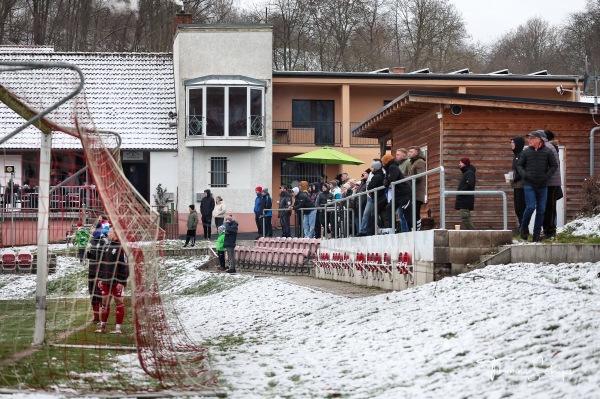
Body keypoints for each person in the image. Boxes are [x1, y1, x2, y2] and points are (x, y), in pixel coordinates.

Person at [516, 130, 558, 242]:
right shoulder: (526, 152)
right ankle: (524, 228)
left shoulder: (547, 151)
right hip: (529, 184)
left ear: (538, 139)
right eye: (528, 138)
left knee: (541, 210)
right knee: (530, 207)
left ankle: (536, 235)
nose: (528, 140)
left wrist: (546, 176)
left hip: (543, 185)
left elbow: (554, 165)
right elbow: (519, 165)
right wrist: (524, 175)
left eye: (531, 138)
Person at [95, 230, 129, 334]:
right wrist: (100, 278)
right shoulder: (106, 246)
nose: (108, 234)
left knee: (119, 303)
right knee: (104, 304)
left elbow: (125, 266)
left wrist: (121, 282)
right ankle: (103, 326)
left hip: (117, 282)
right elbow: (102, 264)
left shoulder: (122, 248)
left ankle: (118, 328)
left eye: (110, 232)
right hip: (106, 281)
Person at [381, 154, 411, 234]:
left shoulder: (393, 167)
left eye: (383, 161)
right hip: (397, 194)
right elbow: (386, 180)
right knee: (389, 209)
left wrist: (386, 182)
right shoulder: (388, 169)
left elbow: (391, 179)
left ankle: (410, 229)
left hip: (403, 192)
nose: (382, 163)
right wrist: (386, 181)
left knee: (406, 212)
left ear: (386, 161)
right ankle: (392, 228)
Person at [542, 130, 561, 240]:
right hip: (552, 181)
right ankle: (550, 229)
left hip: (550, 182)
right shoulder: (553, 148)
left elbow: (550, 166)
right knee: (550, 206)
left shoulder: (549, 148)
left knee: (549, 206)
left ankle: (550, 230)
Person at [357, 160, 385, 236]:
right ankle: (366, 230)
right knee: (371, 215)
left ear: (375, 168)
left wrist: (369, 185)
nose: (371, 168)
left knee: (370, 215)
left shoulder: (376, 176)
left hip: (374, 197)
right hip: (374, 196)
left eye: (372, 167)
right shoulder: (378, 174)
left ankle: (365, 230)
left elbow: (370, 186)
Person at [87, 223, 107, 325]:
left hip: (100, 273)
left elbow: (105, 258)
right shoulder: (92, 241)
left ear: (98, 229)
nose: (90, 229)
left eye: (92, 228)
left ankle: (103, 320)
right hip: (92, 272)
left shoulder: (103, 241)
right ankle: (96, 318)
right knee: (93, 295)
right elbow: (92, 256)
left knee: (101, 297)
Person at [408, 146, 427, 230]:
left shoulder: (419, 162)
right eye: (409, 151)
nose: (409, 153)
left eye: (411, 152)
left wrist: (409, 178)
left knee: (415, 211)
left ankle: (417, 229)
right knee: (411, 211)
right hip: (411, 191)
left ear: (416, 153)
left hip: (417, 191)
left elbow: (420, 175)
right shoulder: (412, 162)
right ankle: (413, 228)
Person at [510, 136, 526, 232]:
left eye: (512, 142)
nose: (511, 144)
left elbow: (522, 171)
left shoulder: (521, 155)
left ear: (518, 144)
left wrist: (515, 178)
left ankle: (523, 228)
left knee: (521, 207)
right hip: (516, 185)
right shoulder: (516, 155)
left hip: (521, 185)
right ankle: (521, 226)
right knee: (517, 208)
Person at [455, 157, 476, 230]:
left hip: (465, 199)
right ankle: (474, 234)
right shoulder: (466, 173)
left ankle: (475, 234)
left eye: (460, 163)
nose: (459, 164)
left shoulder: (469, 173)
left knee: (465, 218)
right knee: (465, 217)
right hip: (464, 199)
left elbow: (470, 185)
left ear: (465, 164)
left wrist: (461, 191)